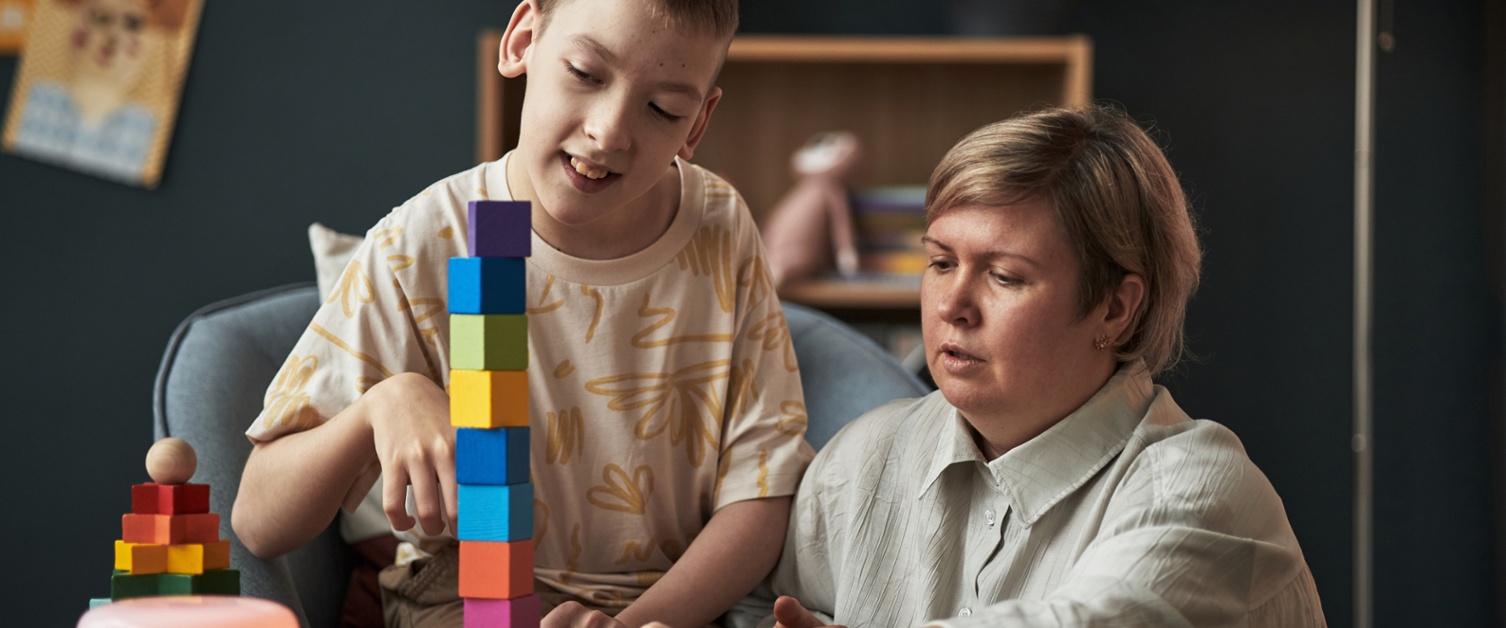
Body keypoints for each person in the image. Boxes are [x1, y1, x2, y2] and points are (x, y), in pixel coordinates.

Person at [231, 1, 813, 626]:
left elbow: (761, 493)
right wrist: (383, 404)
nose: (609, 131)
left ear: (697, 123)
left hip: (677, 601)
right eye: (586, 73)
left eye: (663, 109)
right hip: (464, 592)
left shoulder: (721, 226)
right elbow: (259, 520)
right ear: (523, 40)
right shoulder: (431, 241)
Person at [766, 105, 1328, 627]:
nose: (951, 306)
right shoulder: (864, 455)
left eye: (1005, 276)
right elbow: (753, 607)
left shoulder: (1203, 492)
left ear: (1115, 308)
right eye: (940, 262)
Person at [8, 0, 190, 184]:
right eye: (101, 18)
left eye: (133, 24)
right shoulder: (36, 102)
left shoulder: (150, 134)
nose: (112, 37)